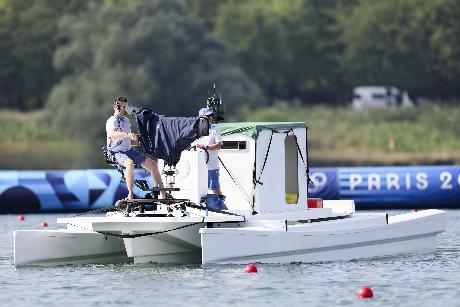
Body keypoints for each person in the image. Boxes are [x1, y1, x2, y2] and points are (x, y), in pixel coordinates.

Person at [106, 96, 167, 200]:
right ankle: (130, 195)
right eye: (123, 106)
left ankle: (162, 193)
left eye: (126, 105)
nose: (126, 108)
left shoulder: (126, 121)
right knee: (129, 163)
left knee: (153, 165)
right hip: (116, 152)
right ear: (117, 107)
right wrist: (129, 135)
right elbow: (112, 134)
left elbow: (128, 140)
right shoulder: (112, 120)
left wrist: (141, 141)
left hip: (128, 151)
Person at [195, 107, 223, 196]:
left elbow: (218, 146)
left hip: (212, 165)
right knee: (198, 187)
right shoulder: (195, 130)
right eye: (208, 116)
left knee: (214, 187)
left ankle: (221, 205)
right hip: (198, 165)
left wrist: (206, 147)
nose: (211, 117)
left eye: (211, 115)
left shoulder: (215, 129)